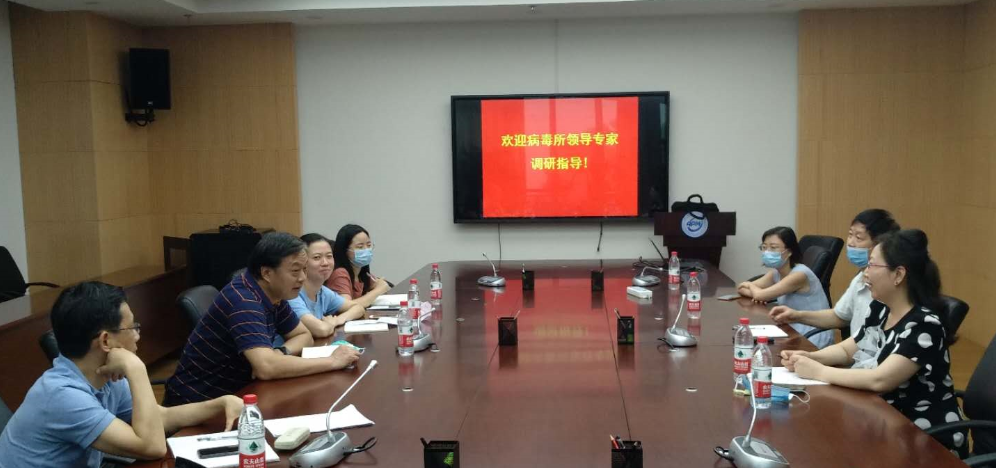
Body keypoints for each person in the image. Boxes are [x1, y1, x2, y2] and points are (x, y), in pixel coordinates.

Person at [0, 282, 245, 468]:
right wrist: (136, 368)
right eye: (132, 327)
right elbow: (152, 446)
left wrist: (218, 405)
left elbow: (159, 417)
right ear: (106, 341)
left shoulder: (103, 375)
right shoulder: (62, 395)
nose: (138, 335)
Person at [781, 229, 967, 458]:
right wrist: (810, 357)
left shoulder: (924, 324)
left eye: (871, 265)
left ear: (898, 274)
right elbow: (848, 349)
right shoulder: (881, 309)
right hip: (882, 419)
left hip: (923, 437)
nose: (865, 273)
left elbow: (880, 380)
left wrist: (818, 372)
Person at [164, 232, 360, 406]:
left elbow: (304, 335)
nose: (302, 278)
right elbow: (266, 368)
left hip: (240, 395)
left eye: (304, 270)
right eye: (295, 271)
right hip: (198, 404)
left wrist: (280, 352)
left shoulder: (273, 293)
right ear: (267, 273)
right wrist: (332, 361)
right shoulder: (243, 300)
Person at [770, 209, 900, 354]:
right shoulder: (860, 277)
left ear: (881, 245)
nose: (850, 243)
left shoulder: (889, 290)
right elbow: (839, 316)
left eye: (858, 237)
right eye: (850, 235)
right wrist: (796, 315)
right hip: (856, 359)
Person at [738, 226, 833, 348]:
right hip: (790, 327)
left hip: (811, 334)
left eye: (773, 248)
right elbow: (741, 288)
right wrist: (756, 291)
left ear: (789, 251)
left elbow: (759, 295)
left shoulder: (799, 275)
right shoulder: (776, 273)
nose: (767, 252)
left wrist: (752, 287)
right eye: (764, 247)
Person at [285, 233, 366, 340]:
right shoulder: (292, 294)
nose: (325, 263)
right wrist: (329, 324)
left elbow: (358, 308)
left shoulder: (323, 292)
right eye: (317, 257)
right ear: (302, 262)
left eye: (329, 256)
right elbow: (321, 330)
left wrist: (337, 320)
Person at [327, 224, 391, 308]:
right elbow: (347, 307)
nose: (366, 250)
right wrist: (379, 290)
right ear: (345, 250)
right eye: (360, 247)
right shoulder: (340, 273)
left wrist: (380, 287)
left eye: (369, 245)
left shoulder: (362, 273)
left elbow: (382, 285)